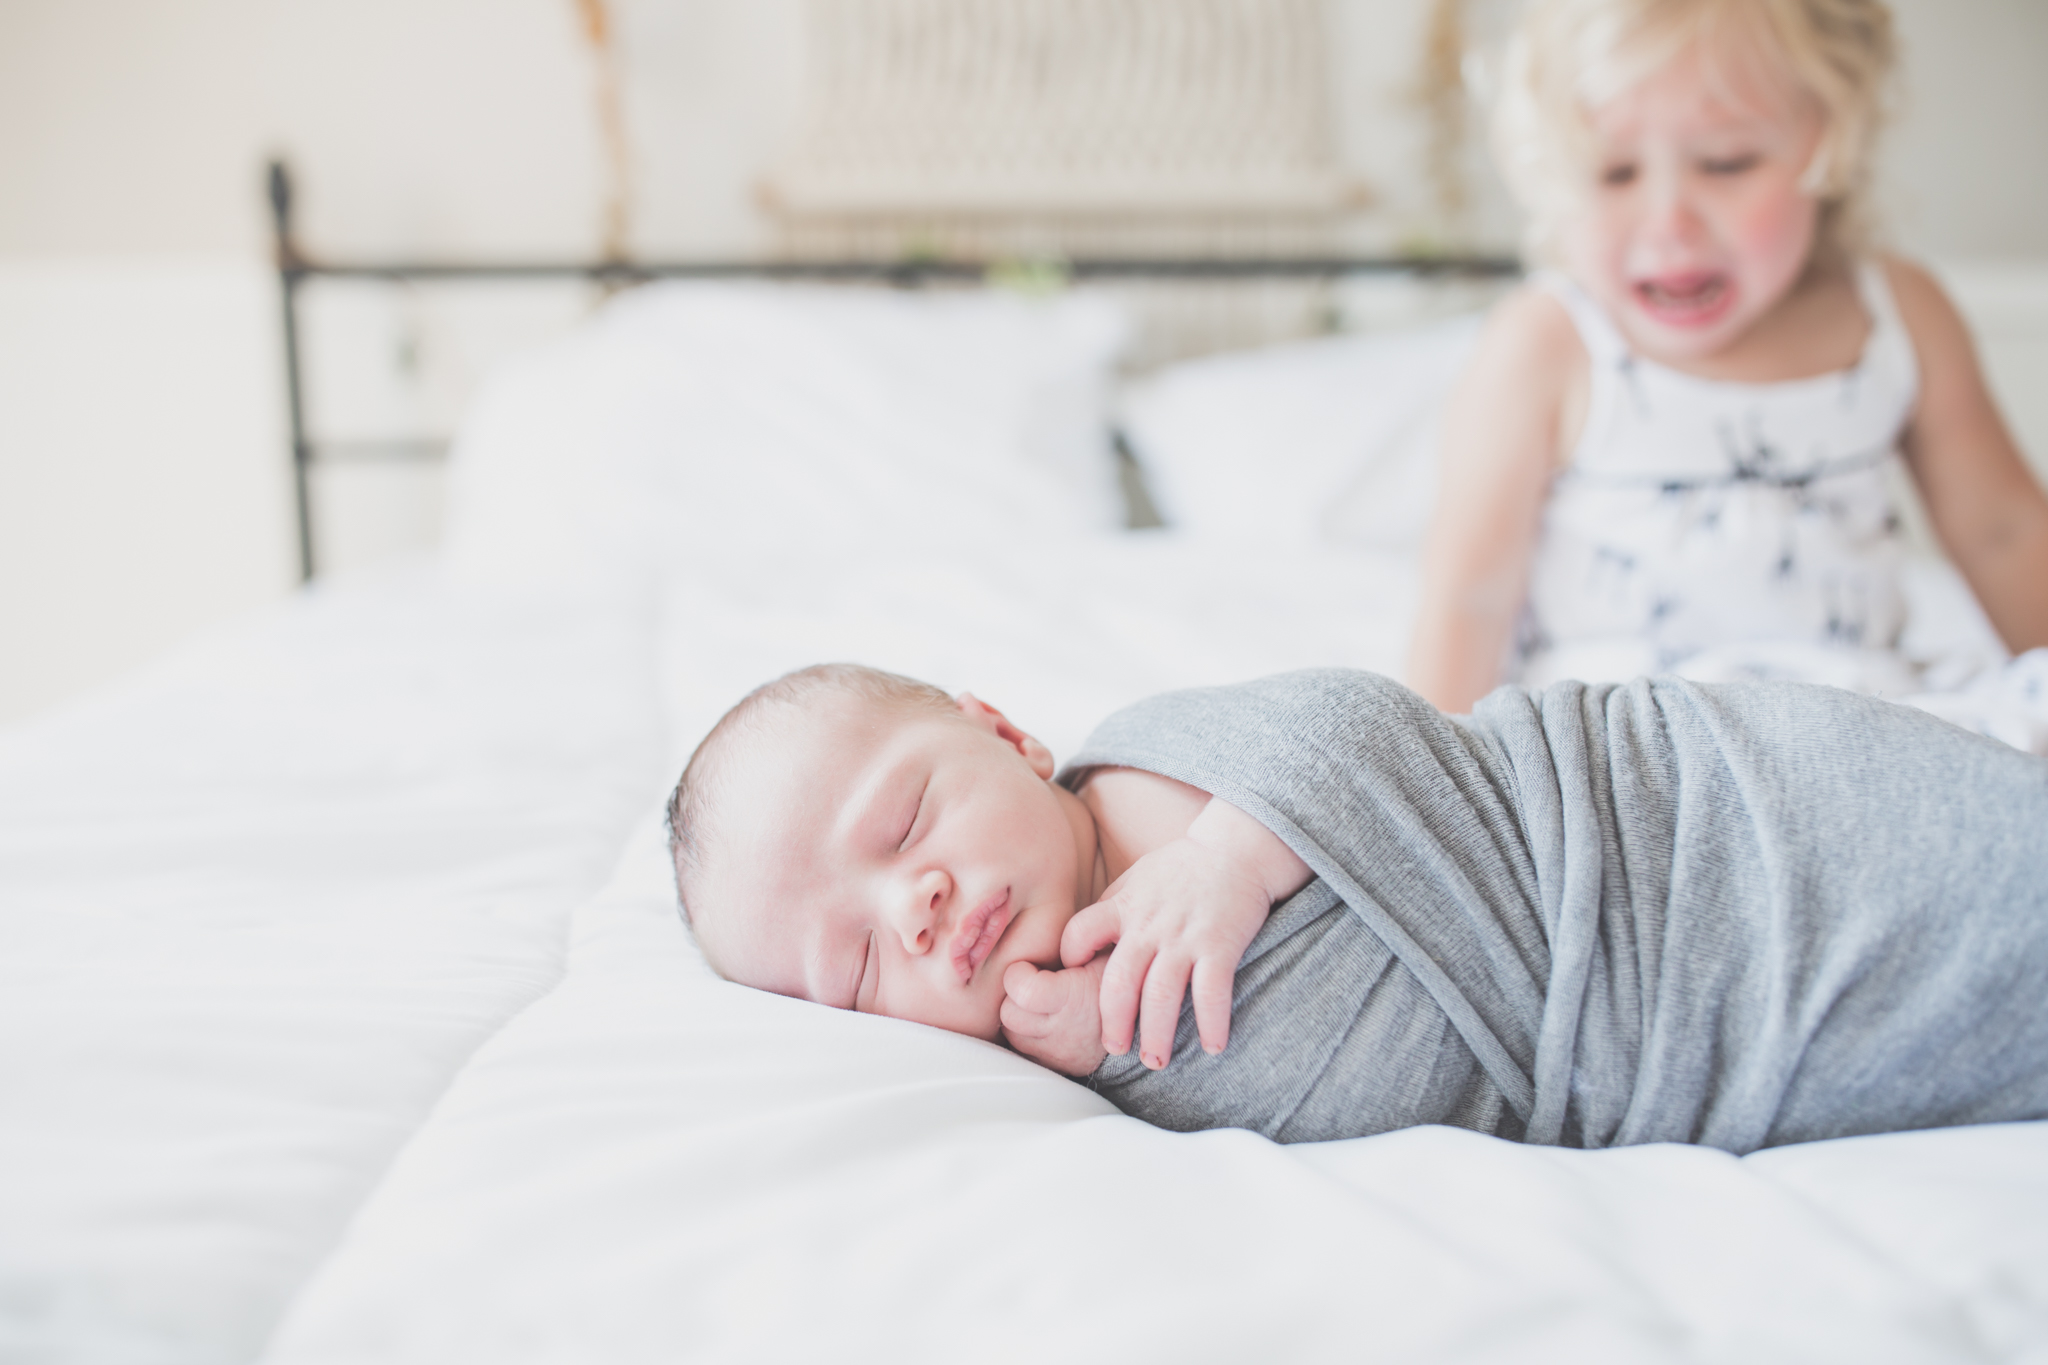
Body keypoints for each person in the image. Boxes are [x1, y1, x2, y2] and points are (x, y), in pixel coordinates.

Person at [669, 661, 2048, 1152]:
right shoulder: (1076, 1056)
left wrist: (1230, 858)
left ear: (1005, 728)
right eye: (857, 965)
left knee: (1985, 864)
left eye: (906, 821)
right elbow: (1378, 1077)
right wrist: (1116, 1044)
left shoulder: (1147, 768)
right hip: (1663, 1027)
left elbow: (1366, 722)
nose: (914, 905)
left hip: (1674, 825)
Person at [1407, 0, 2048, 732]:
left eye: (1726, 162)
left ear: (1830, 136)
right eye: (1614, 172)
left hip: (1856, 732)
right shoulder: (1548, 344)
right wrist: (1431, 806)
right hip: (1627, 754)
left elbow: (2004, 530)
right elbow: (1470, 600)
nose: (1670, 221)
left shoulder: (1896, 315)